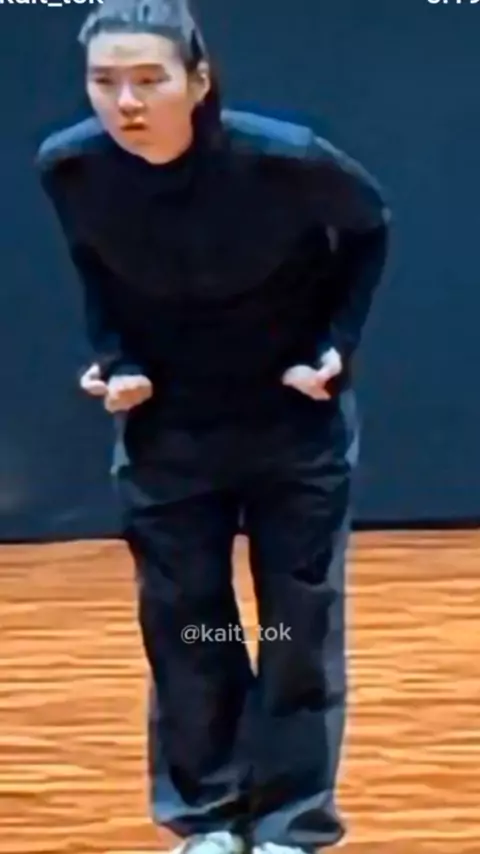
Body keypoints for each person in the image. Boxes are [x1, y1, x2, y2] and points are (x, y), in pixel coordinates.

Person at [36, 1, 390, 852]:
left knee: (296, 629)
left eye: (148, 79)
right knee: (190, 627)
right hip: (169, 431)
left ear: (198, 82)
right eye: (104, 81)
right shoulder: (71, 168)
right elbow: (95, 268)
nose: (126, 102)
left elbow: (370, 227)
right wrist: (116, 356)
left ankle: (291, 824)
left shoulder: (288, 160)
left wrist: (334, 348)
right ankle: (208, 820)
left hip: (292, 424)